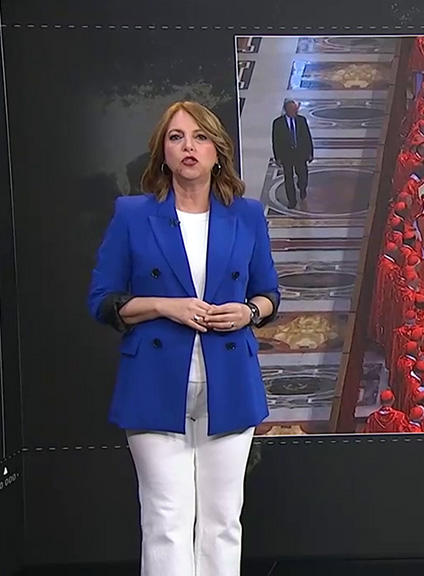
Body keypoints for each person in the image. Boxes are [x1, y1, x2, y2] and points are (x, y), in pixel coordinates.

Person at [87, 101, 280, 576]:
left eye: (199, 137)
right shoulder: (133, 215)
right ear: (163, 152)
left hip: (228, 379)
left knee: (222, 520)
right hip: (155, 380)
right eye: (176, 138)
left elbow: (269, 293)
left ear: (217, 151)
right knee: (166, 519)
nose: (188, 146)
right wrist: (163, 306)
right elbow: (103, 301)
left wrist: (249, 311)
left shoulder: (247, 215)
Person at [271, 99, 314, 209]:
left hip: (300, 154)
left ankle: (302, 188)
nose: (295, 111)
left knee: (303, 175)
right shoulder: (278, 123)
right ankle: (292, 201)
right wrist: (277, 157)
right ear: (286, 110)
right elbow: (276, 141)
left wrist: (310, 153)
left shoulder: (301, 120)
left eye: (296, 109)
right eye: (293, 109)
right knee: (288, 179)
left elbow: (307, 137)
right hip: (286, 155)